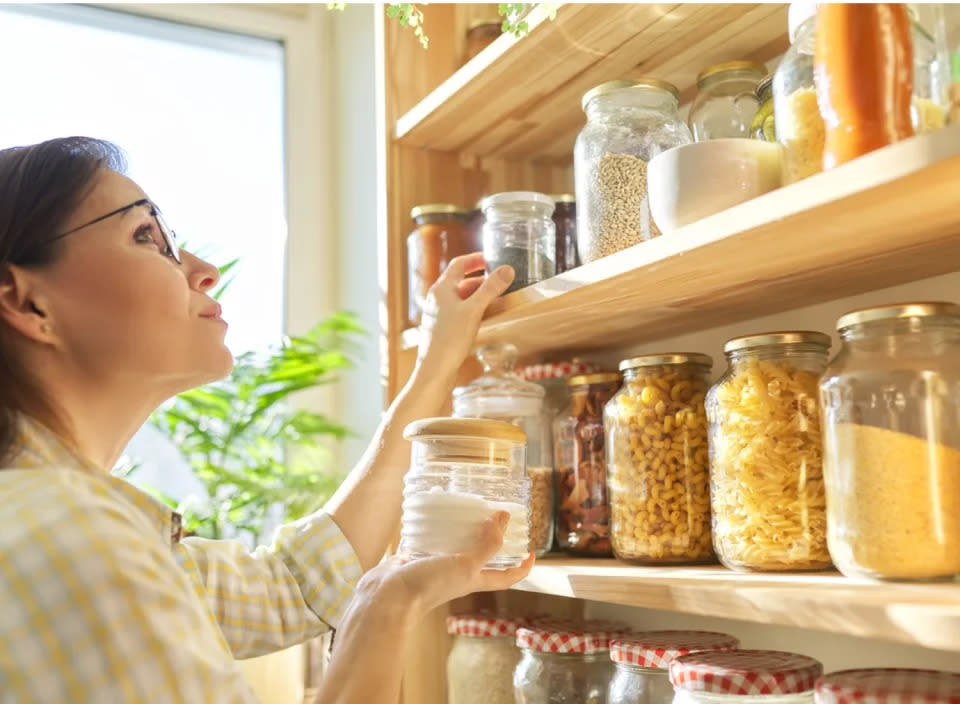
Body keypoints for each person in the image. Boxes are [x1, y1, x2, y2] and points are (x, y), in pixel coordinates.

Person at [0, 136, 532, 703]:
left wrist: (437, 360)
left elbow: (295, 585)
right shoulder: (74, 540)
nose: (203, 271)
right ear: (27, 302)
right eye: (145, 237)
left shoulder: (69, 524)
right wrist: (387, 607)